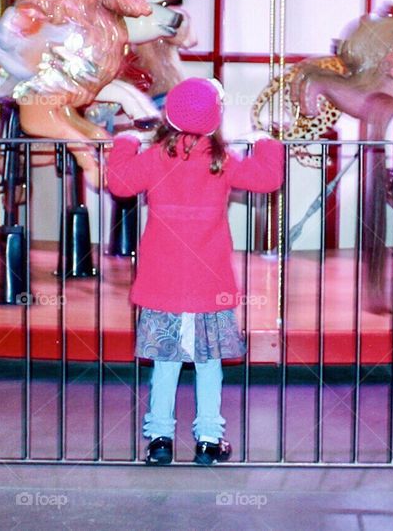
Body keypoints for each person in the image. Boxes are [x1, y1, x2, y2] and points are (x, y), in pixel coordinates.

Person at [106, 77, 284, 465]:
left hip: (162, 282)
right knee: (208, 362)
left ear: (168, 114)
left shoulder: (156, 158)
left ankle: (159, 440)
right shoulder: (219, 159)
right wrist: (267, 142)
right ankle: (207, 439)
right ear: (214, 119)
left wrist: (125, 141)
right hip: (209, 283)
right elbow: (268, 178)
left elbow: (119, 183)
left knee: (166, 361)